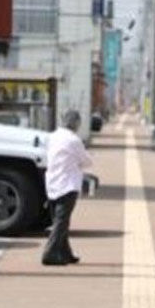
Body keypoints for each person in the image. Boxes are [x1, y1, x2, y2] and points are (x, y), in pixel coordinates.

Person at [42, 109, 93, 265]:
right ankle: (49, 253)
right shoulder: (74, 140)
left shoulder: (52, 137)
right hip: (68, 185)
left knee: (60, 220)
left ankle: (65, 253)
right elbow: (87, 161)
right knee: (61, 221)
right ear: (76, 123)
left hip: (51, 183)